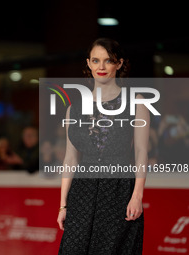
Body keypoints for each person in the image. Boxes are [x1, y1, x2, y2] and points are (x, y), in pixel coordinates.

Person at [57, 38, 148, 254]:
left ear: (119, 64)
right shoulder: (74, 109)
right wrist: (63, 205)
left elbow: (141, 152)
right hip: (82, 193)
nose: (101, 67)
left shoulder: (137, 102)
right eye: (96, 60)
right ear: (88, 63)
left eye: (108, 61)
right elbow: (70, 159)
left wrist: (137, 196)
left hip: (118, 191)